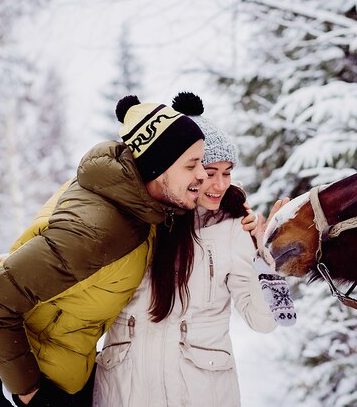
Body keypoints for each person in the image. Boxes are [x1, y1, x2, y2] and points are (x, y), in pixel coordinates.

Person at [0, 95, 253, 407]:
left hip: (68, 362)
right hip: (26, 369)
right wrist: (30, 394)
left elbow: (46, 239)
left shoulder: (135, 196)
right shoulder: (100, 228)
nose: (203, 174)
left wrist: (242, 216)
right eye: (194, 165)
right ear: (159, 168)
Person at [92, 92, 291, 407]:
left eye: (227, 173)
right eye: (210, 172)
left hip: (202, 392)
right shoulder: (133, 223)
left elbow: (263, 321)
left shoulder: (233, 228)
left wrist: (267, 258)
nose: (220, 184)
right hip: (127, 391)